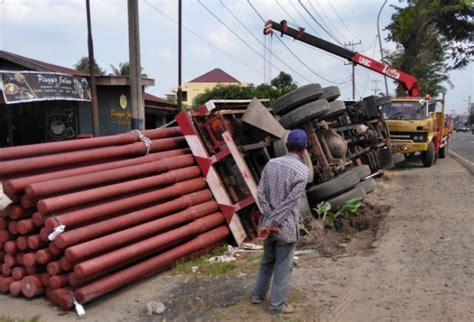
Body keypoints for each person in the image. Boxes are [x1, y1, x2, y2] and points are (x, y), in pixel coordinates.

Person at [251, 129, 309, 314]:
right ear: (304, 148)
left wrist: (268, 219)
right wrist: (275, 220)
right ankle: (276, 305)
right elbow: (290, 201)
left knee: (267, 261)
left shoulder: (271, 163)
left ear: (286, 145)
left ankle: (257, 295)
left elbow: (260, 194)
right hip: (285, 227)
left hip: (267, 226)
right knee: (283, 267)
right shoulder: (302, 171)